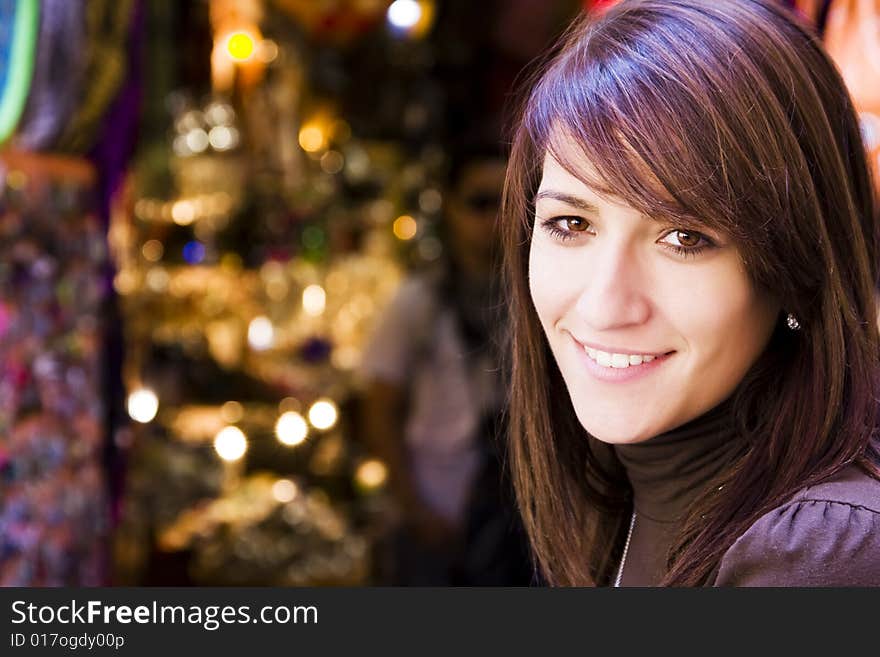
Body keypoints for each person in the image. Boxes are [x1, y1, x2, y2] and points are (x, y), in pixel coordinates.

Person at [501, 0, 880, 586]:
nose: (605, 304)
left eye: (684, 238)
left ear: (798, 268)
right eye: (571, 225)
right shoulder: (626, 495)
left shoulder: (818, 555)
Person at [360, 143, 533, 585]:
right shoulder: (418, 301)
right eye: (478, 203)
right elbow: (379, 409)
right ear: (450, 210)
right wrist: (415, 509)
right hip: (438, 514)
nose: (494, 219)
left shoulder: (540, 297)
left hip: (523, 523)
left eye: (507, 202)